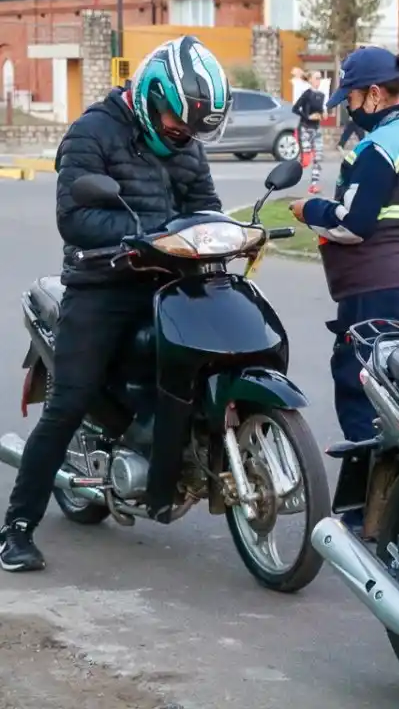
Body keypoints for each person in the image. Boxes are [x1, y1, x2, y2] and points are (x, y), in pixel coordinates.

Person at [0, 35, 229, 572]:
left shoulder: (186, 147)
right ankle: (16, 528)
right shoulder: (92, 132)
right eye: (178, 121)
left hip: (170, 281)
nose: (184, 134)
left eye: (193, 128)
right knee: (70, 401)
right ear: (151, 97)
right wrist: (146, 233)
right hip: (103, 282)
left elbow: (206, 205)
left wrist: (219, 231)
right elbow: (75, 218)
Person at [288, 47, 399, 536]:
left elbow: (354, 223)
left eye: (352, 97)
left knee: (362, 389)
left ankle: (367, 510)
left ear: (374, 94)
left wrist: (308, 210)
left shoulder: (378, 148)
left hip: (375, 286)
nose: (348, 106)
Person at [293, 70, 326, 194]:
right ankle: (289, 173)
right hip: (305, 128)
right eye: (316, 78)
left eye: (320, 78)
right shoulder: (307, 94)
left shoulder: (322, 95)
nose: (318, 81)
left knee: (318, 158)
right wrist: (307, 117)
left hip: (316, 129)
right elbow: (295, 109)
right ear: (310, 80)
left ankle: (314, 185)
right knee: (306, 161)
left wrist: (323, 114)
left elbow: (320, 111)